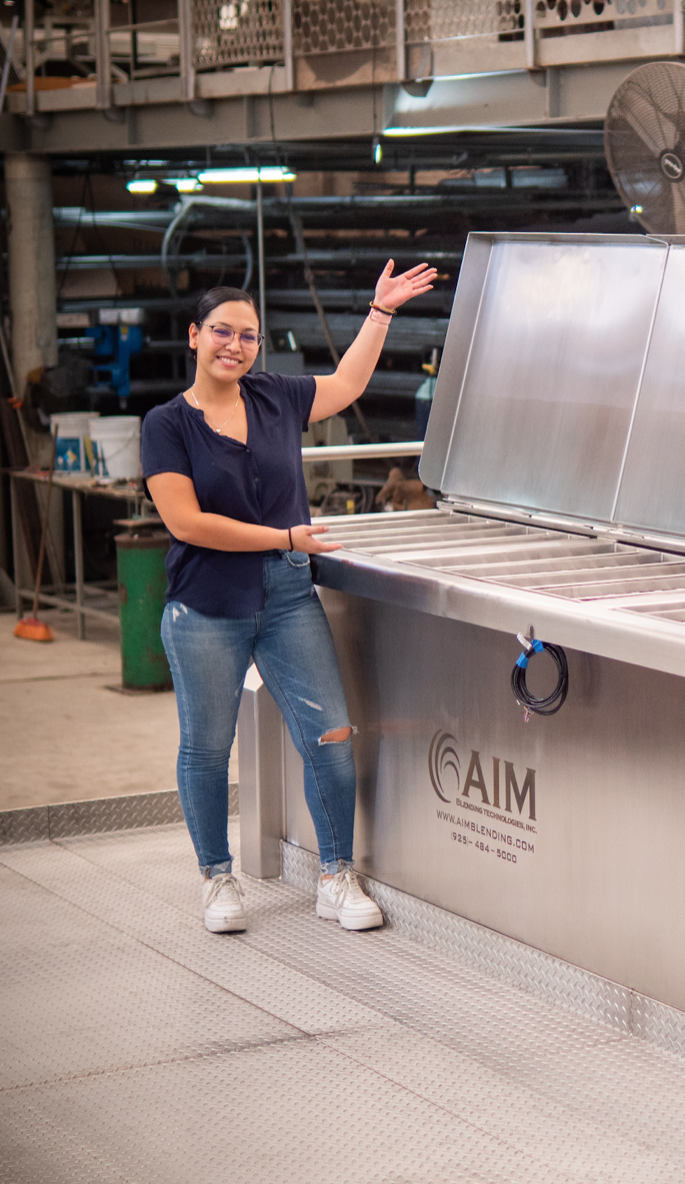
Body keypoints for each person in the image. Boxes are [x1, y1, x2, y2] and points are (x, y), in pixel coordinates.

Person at [142, 262, 438, 934]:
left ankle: (337, 875)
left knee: (330, 735)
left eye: (248, 336)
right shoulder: (167, 425)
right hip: (205, 605)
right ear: (194, 336)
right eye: (222, 331)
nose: (235, 345)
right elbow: (185, 523)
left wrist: (380, 312)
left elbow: (346, 385)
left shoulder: (274, 396)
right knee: (207, 747)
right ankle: (218, 880)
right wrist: (285, 534)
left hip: (284, 596)